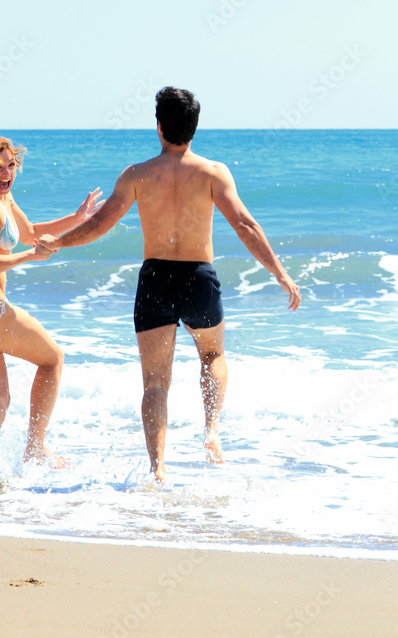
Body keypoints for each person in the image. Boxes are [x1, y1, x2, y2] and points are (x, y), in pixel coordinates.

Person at [40, 88, 300, 483]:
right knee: (212, 357)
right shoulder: (213, 173)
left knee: (156, 381)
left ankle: (157, 467)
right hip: (198, 277)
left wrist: (58, 242)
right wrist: (279, 272)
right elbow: (245, 225)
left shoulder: (137, 175)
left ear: (158, 127)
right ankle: (211, 432)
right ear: (194, 128)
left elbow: (100, 224)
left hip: (156, 279)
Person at [0, 128, 103, 468]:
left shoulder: (1, 198)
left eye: (11, 165)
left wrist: (76, 219)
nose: (6, 173)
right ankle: (35, 448)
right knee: (53, 360)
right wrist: (30, 257)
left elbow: (30, 233)